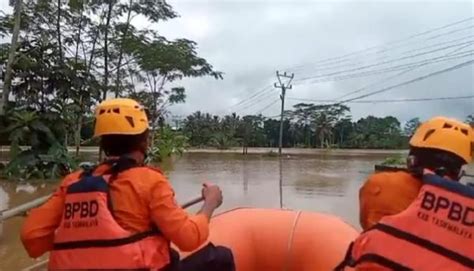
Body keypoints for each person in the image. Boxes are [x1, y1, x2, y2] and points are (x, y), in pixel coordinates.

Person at [20, 98, 235, 271]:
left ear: (103, 143)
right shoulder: (149, 181)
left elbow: (32, 238)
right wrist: (210, 203)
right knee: (220, 257)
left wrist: (86, 240)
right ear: (144, 141)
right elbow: (188, 238)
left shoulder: (73, 182)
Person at [335, 116, 474, 270]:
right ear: (459, 171)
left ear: (412, 159)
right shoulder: (467, 205)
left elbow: (366, 223)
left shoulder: (380, 185)